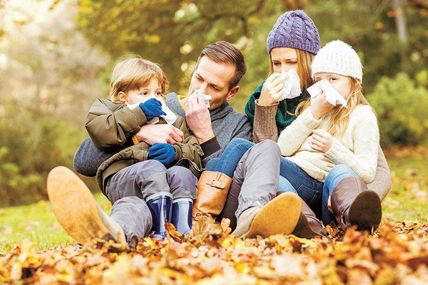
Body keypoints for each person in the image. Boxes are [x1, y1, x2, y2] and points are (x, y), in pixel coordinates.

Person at [48, 57, 203, 247]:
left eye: (158, 92)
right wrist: (140, 114)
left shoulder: (171, 120)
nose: (154, 98)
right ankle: (134, 235)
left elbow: (193, 148)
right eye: (144, 93)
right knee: (146, 177)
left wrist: (176, 152)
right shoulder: (108, 110)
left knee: (176, 178)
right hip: (122, 179)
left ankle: (177, 234)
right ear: (122, 96)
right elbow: (101, 130)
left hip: (158, 187)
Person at [277, 40, 382, 230]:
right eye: (320, 80)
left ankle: (354, 221)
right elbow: (282, 148)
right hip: (301, 184)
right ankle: (308, 225)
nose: (326, 86)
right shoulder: (312, 108)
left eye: (333, 79)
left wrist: (332, 149)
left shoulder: (362, 116)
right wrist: (314, 113)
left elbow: (367, 173)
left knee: (340, 171)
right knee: (267, 162)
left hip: (330, 194)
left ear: (354, 83)